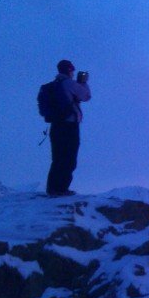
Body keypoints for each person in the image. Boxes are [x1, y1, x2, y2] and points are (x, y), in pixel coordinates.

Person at [46, 59, 91, 196]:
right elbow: (86, 96)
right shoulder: (69, 83)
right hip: (69, 125)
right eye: (72, 70)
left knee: (58, 157)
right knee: (69, 158)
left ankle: (52, 189)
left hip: (56, 125)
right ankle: (61, 189)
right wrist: (83, 82)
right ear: (69, 70)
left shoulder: (54, 85)